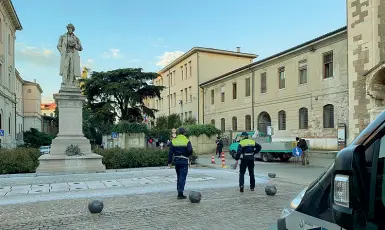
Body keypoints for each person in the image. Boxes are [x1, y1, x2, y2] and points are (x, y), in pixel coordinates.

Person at [168, 127, 193, 199]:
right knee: (182, 177)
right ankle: (180, 193)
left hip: (176, 161)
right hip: (184, 160)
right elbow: (190, 151)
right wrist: (190, 159)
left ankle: (179, 190)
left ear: (178, 132)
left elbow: (170, 152)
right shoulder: (187, 140)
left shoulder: (174, 140)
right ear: (184, 133)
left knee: (179, 176)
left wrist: (169, 162)